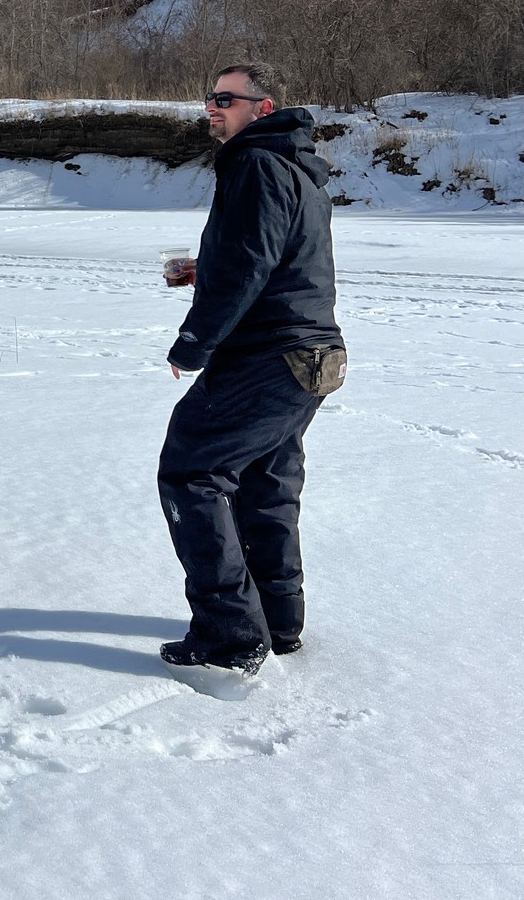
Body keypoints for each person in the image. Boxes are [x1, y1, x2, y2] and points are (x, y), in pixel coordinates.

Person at [157, 63, 347, 677]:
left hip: (270, 354)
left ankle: (230, 637)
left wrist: (193, 342)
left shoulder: (256, 163)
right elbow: (274, 256)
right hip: (312, 357)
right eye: (208, 97)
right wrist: (204, 270)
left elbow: (249, 265)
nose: (211, 107)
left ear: (262, 108)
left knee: (191, 472)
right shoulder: (296, 168)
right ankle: (277, 622)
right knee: (266, 484)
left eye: (226, 98)